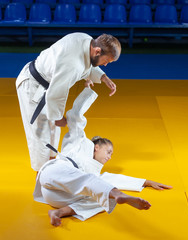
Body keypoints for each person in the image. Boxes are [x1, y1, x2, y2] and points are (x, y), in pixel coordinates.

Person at [33, 87, 173, 227]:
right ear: (97, 147)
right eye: (108, 151)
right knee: (95, 185)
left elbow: (110, 180)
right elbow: (76, 119)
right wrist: (87, 91)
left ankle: (59, 213)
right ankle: (118, 194)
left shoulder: (94, 173)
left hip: (59, 198)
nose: (110, 157)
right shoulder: (81, 143)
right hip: (54, 176)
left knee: (104, 200)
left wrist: (146, 182)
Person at [16, 32, 121, 171]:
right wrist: (58, 117)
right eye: (106, 61)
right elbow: (57, 92)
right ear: (97, 51)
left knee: (53, 134)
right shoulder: (72, 64)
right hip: (33, 88)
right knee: (40, 136)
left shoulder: (87, 40)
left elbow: (88, 63)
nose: (106, 64)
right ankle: (41, 181)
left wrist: (103, 77)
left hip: (47, 85)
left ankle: (52, 168)